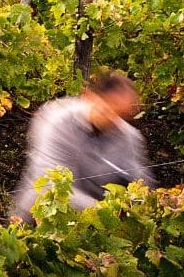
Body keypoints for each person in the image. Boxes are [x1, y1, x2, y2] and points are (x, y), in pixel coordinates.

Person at [11, 71, 155, 224]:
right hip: (38, 221)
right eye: (108, 109)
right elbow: (51, 186)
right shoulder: (57, 120)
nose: (113, 119)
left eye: (120, 114)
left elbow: (141, 183)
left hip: (93, 228)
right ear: (90, 97)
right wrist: (107, 212)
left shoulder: (128, 135)